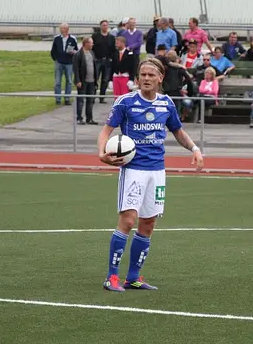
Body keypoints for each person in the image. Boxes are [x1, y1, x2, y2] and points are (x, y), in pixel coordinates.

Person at [97, 58, 204, 292]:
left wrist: (195, 149)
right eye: (142, 75)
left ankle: (133, 277)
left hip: (157, 172)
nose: (146, 78)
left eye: (151, 75)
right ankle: (111, 277)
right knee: (128, 220)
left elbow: (178, 131)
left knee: (148, 224)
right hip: (133, 170)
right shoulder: (125, 102)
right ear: (137, 78)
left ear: (160, 78)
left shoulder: (166, 104)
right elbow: (106, 131)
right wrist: (102, 153)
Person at [73, 37, 99, 125]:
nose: (92, 44)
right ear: (86, 43)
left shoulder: (92, 53)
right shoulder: (78, 54)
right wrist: (78, 80)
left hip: (92, 81)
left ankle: (89, 118)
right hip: (83, 82)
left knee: (90, 101)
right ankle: (79, 118)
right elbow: (76, 69)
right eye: (91, 43)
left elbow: (94, 66)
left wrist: (96, 79)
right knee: (80, 101)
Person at [50, 23, 78, 105]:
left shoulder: (72, 39)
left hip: (69, 63)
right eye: (61, 28)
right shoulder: (56, 38)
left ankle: (67, 98)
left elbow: (76, 50)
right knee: (57, 81)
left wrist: (73, 52)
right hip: (59, 62)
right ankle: (58, 99)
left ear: (67, 29)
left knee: (69, 81)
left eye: (63, 28)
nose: (62, 30)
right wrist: (56, 59)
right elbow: (53, 50)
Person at [92, 20, 115, 104]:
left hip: (107, 61)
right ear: (100, 26)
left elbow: (113, 49)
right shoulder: (95, 36)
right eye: (103, 25)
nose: (105, 27)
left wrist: (111, 58)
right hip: (97, 60)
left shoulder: (111, 37)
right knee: (95, 79)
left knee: (105, 80)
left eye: (106, 25)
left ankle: (102, 97)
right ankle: (92, 97)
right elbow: (92, 48)